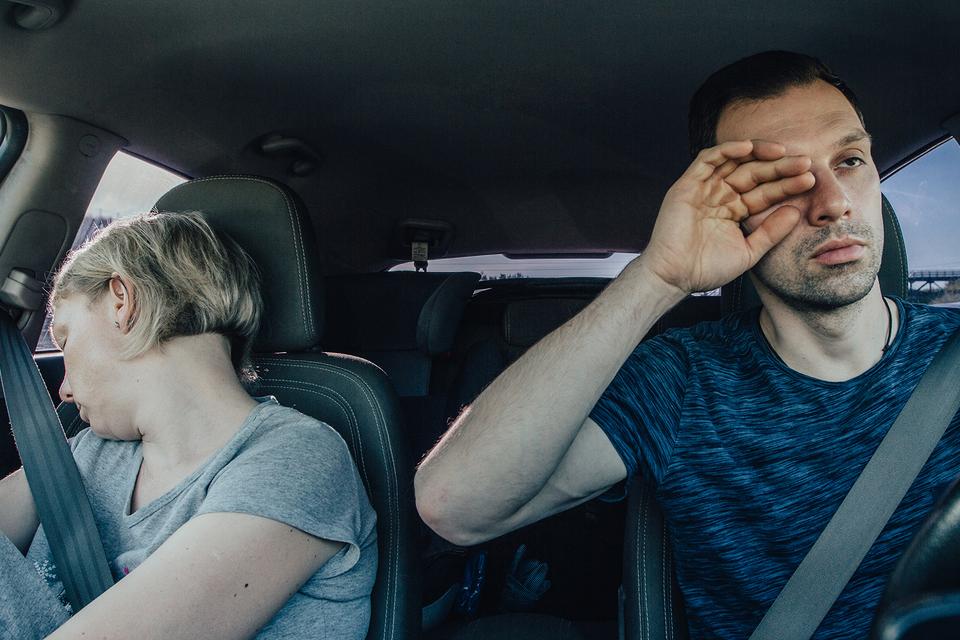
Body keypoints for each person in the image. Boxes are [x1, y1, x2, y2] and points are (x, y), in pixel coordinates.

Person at [414, 51, 960, 639]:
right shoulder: (679, 381)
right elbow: (456, 506)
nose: (833, 203)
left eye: (849, 160)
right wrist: (658, 278)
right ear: (729, 213)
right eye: (780, 181)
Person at [0, 212, 377, 639]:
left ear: (122, 302)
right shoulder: (88, 450)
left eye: (65, 339)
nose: (63, 390)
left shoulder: (298, 459)